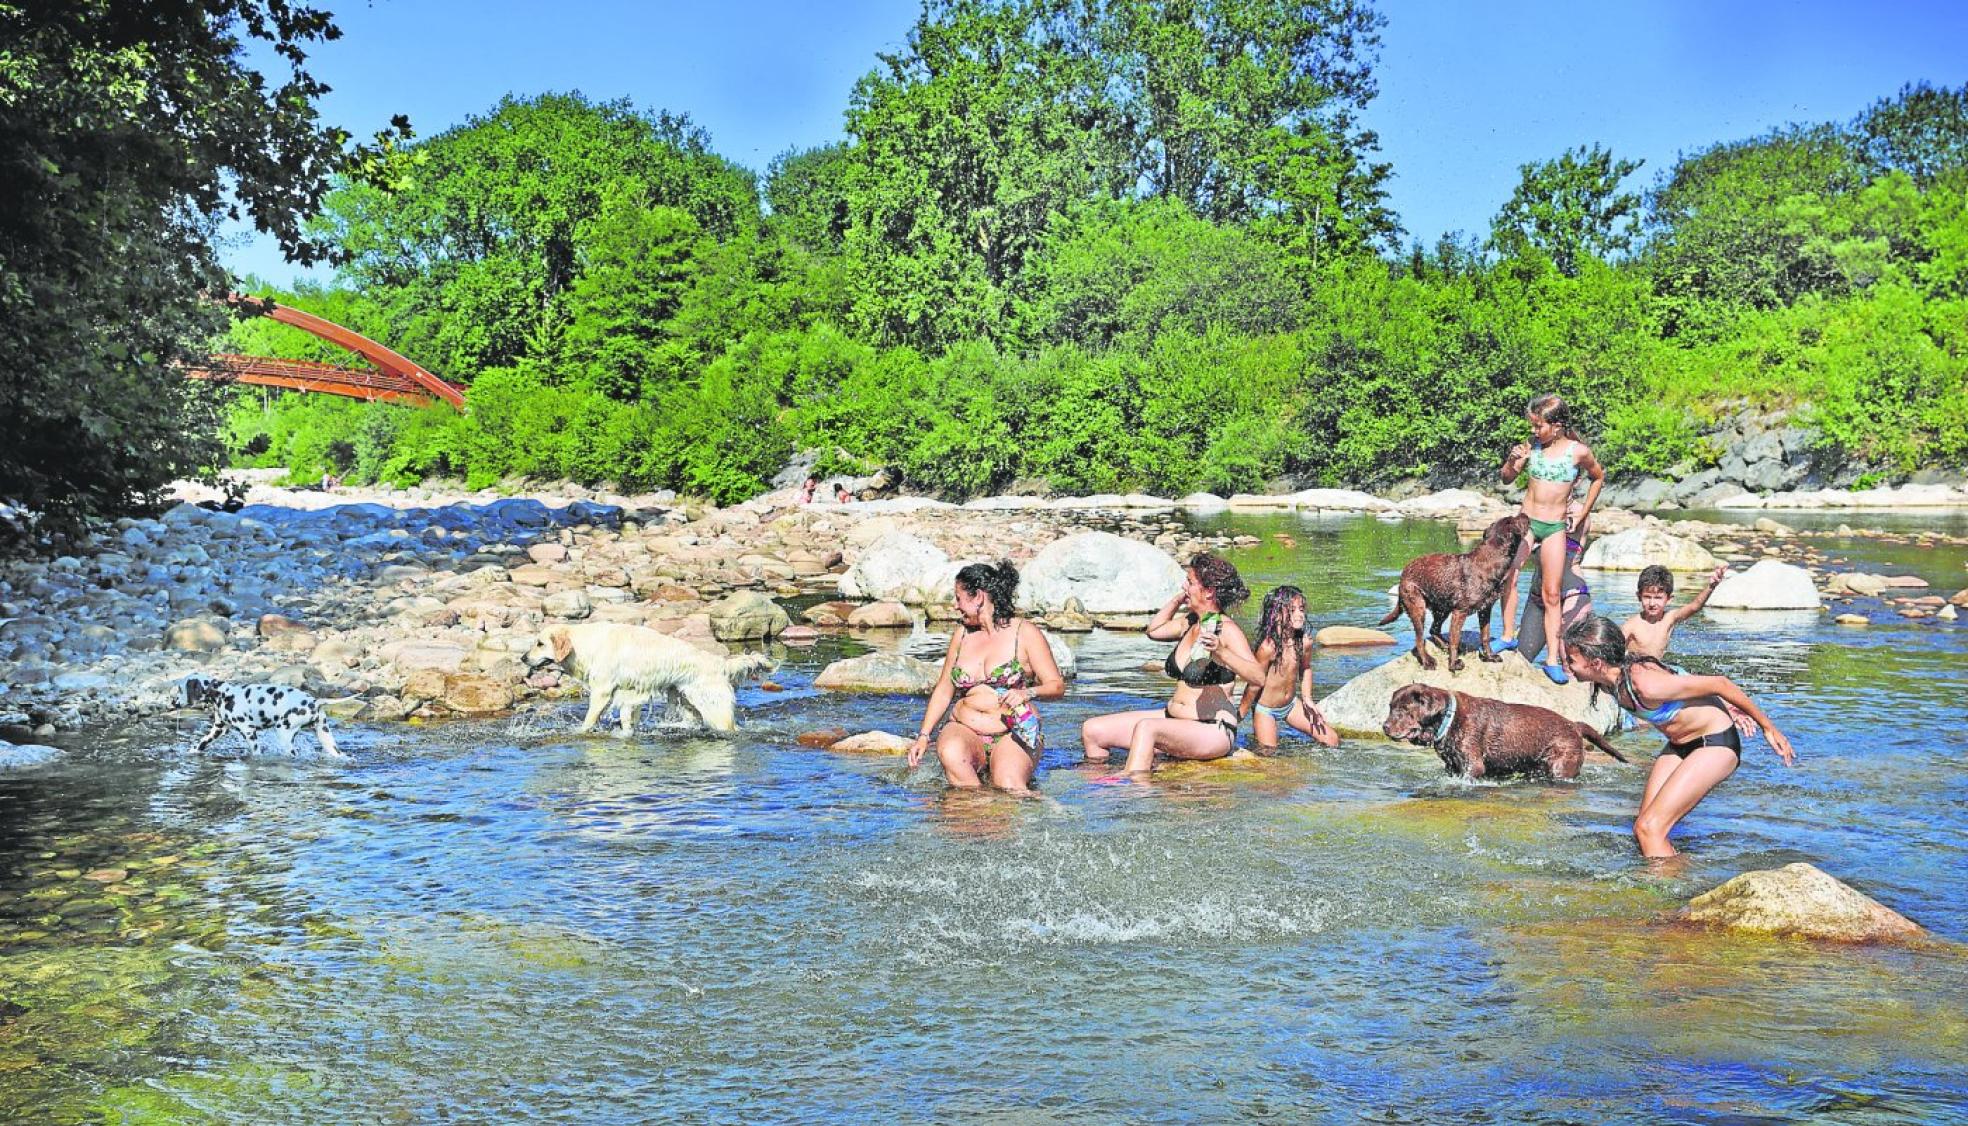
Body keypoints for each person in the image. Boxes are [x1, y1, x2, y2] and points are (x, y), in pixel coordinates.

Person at [1563, 615, 1795, 858]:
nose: (1567, 665)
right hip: (1679, 746)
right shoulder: (1611, 681)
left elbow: (1720, 683)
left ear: (1596, 662)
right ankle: (1666, 872)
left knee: (1650, 830)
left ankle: (1670, 891)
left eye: (1572, 660)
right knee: (1642, 827)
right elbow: (1679, 675)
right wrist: (1727, 706)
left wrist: (1768, 728)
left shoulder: (1645, 683)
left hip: (1714, 743)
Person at [1080, 553, 1268, 778]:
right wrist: (1178, 599)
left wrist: (1221, 652)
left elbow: (1258, 677)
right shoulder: (1190, 622)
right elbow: (1154, 631)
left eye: (1189, 582)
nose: (1184, 585)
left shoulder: (1226, 629)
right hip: (1173, 720)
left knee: (1147, 727)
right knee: (1092, 731)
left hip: (1211, 729)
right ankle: (1097, 783)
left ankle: (1130, 788)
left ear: (1209, 591)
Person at [907, 561, 1066, 793]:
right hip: (964, 727)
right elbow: (944, 689)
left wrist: (1027, 692)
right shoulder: (961, 635)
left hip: (1012, 731)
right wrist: (923, 735)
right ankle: (973, 821)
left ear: (978, 597)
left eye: (958, 598)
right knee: (960, 775)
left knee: (1009, 787)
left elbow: (1057, 686)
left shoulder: (1024, 633)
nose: (955, 606)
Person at [1495, 393, 1605, 683]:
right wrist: (1511, 460)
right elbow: (1506, 478)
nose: (1533, 431)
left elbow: (1598, 477)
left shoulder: (1578, 452)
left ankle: (1553, 659)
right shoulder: (1531, 447)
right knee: (1510, 575)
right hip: (1527, 523)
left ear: (1556, 426)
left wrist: (1582, 515)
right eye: (1532, 425)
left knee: (1551, 593)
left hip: (1555, 527)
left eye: (1538, 426)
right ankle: (1507, 635)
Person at [1239, 585, 1339, 750]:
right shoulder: (1268, 647)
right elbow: (1254, 682)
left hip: (1291, 705)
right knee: (1268, 754)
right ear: (1277, 615)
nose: (1300, 615)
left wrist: (1307, 698)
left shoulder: (1304, 642)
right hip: (1266, 710)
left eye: (1301, 609)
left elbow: (1305, 668)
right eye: (1292, 610)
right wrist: (1241, 713)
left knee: (1332, 740)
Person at [1515, 500, 1594, 666]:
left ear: (1576, 481)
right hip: (1539, 595)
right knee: (1521, 659)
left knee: (1570, 663)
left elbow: (1565, 526)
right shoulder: (1533, 506)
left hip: (1571, 595)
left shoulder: (1578, 512)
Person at [1623, 564, 1727, 659]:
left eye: (1658, 598)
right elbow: (1611, 652)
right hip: (1639, 672)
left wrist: (1711, 587)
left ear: (1669, 599)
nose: (1652, 603)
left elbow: (1694, 607)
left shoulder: (1669, 618)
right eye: (1647, 597)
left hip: (1659, 670)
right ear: (1639, 596)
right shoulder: (1631, 626)